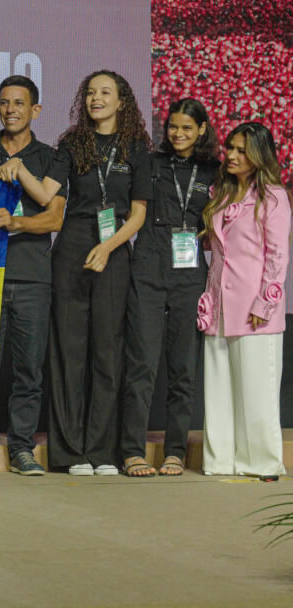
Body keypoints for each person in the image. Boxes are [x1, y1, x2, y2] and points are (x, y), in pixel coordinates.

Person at [14, 70, 151, 476]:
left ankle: (102, 451)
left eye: (105, 93)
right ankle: (71, 452)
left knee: (107, 354)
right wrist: (17, 168)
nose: (96, 99)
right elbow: (44, 194)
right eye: (90, 92)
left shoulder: (136, 148)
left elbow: (139, 213)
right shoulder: (73, 143)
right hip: (72, 249)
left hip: (113, 251)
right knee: (69, 354)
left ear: (121, 101)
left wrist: (108, 248)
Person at [0, 76, 65, 477]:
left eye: (19, 103)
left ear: (35, 110)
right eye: (4, 103)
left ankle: (23, 449)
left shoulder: (51, 157)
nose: (11, 110)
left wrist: (16, 222)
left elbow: (53, 217)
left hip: (33, 277)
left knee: (28, 372)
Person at [120, 99, 219, 477]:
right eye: (174, 127)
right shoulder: (150, 162)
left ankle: (175, 451)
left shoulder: (213, 171)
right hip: (148, 264)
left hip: (190, 271)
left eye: (187, 128)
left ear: (202, 130)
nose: (178, 134)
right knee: (141, 365)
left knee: (183, 370)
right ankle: (132, 451)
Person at [198, 121, 289, 478]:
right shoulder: (221, 193)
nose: (232, 156)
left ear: (258, 156)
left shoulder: (274, 197)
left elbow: (278, 256)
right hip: (219, 305)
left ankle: (263, 462)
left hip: (255, 309)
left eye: (241, 151)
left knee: (257, 391)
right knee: (218, 391)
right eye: (230, 148)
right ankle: (220, 461)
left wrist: (264, 305)